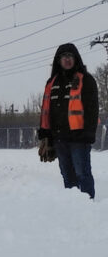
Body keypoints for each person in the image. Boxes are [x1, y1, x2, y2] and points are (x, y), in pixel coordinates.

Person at [38, 43, 99, 199]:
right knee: (67, 175)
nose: (67, 59)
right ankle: (72, 208)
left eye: (70, 56)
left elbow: (92, 110)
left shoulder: (86, 80)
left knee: (82, 173)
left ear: (76, 59)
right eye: (63, 56)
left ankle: (87, 206)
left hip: (79, 138)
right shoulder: (52, 82)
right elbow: (46, 110)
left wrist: (88, 134)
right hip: (59, 139)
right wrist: (46, 135)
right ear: (58, 60)